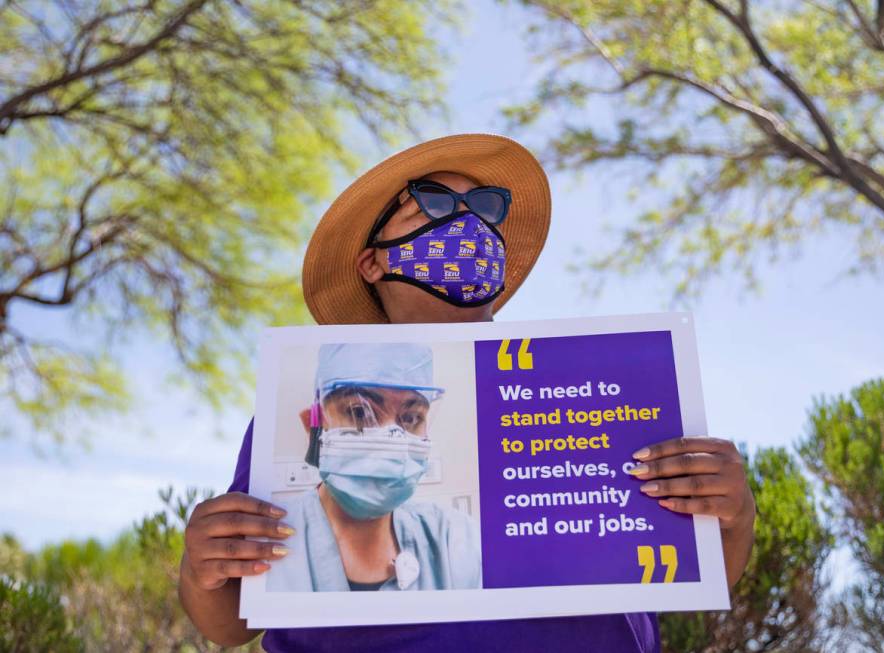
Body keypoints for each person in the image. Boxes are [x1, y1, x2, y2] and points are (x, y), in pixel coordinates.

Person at [179, 133, 756, 652]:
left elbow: (693, 576)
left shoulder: (591, 387)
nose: (467, 225)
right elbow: (230, 621)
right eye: (432, 202)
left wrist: (730, 515)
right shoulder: (296, 395)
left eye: (483, 210)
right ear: (373, 262)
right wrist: (203, 560)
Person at [266, 342, 482, 592]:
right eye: (359, 412)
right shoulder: (268, 536)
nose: (391, 440)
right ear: (313, 425)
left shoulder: (454, 538)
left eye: (411, 418)